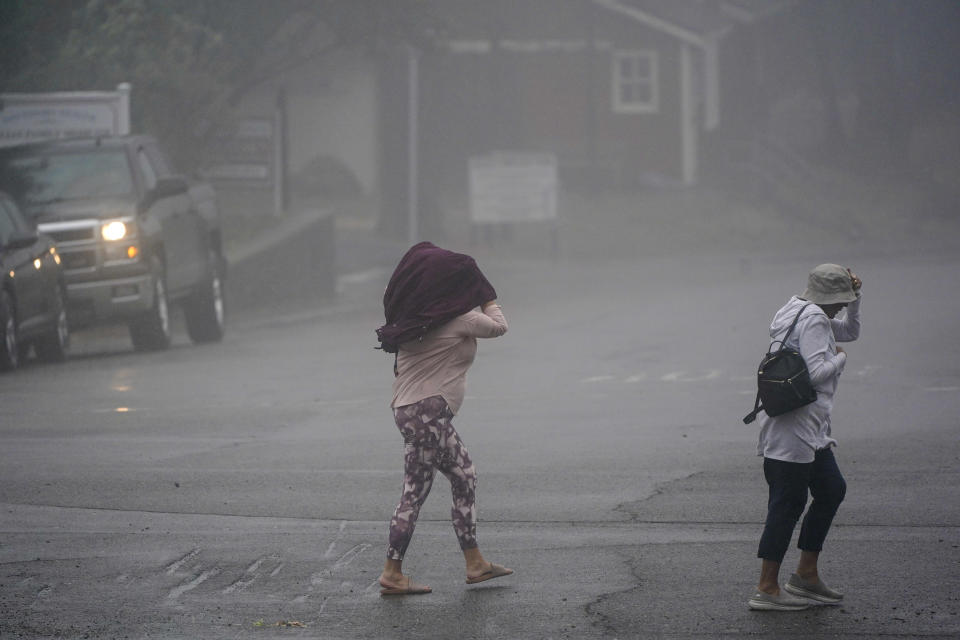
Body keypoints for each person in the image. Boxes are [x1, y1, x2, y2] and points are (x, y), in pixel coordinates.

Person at [375, 242, 514, 596]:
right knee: (414, 493)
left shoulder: (412, 321)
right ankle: (392, 572)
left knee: (464, 475)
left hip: (411, 412)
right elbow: (499, 326)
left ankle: (475, 563)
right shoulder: (460, 318)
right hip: (427, 414)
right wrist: (487, 295)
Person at [748, 263, 863, 611]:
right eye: (840, 300)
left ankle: (806, 576)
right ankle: (766, 588)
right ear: (826, 298)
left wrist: (856, 299)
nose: (842, 306)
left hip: (808, 427)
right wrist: (840, 361)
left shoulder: (796, 308)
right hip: (793, 429)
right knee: (787, 504)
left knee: (831, 489)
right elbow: (814, 374)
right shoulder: (814, 318)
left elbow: (849, 331)